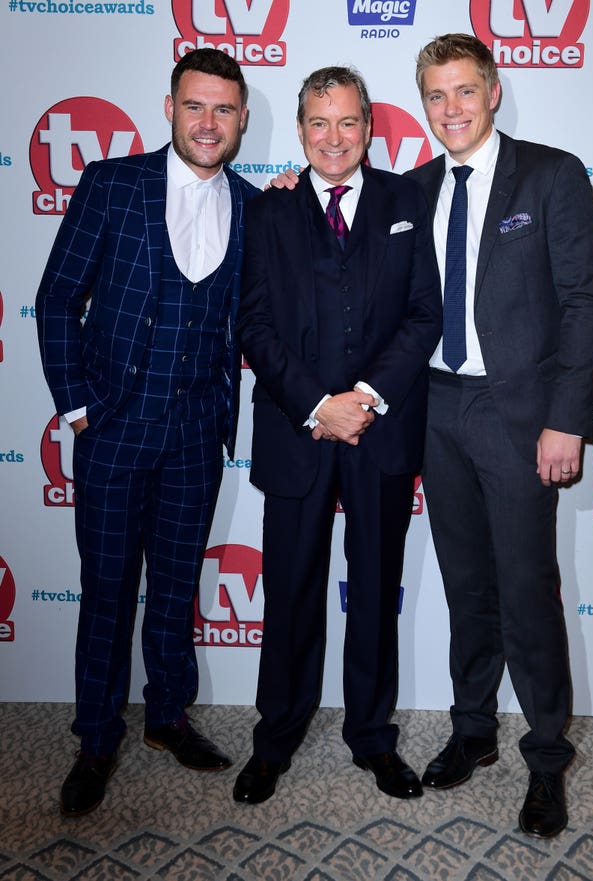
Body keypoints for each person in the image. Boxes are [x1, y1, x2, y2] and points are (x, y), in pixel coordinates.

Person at [35, 48, 259, 817]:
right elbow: (58, 297)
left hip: (198, 429)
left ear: (241, 120)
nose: (209, 122)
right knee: (106, 592)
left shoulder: (256, 203)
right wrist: (79, 406)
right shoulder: (110, 183)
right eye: (195, 106)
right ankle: (95, 737)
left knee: (173, 588)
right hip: (115, 427)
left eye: (224, 110)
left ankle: (167, 715)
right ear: (170, 108)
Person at [405, 34, 593, 837]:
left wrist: (568, 419)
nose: (450, 109)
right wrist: (286, 191)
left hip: (521, 416)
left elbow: (587, 304)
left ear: (493, 91)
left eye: (464, 91)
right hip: (436, 409)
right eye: (435, 95)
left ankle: (548, 757)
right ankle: (473, 730)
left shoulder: (552, 175)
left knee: (527, 589)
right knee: (467, 585)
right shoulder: (413, 189)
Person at [233, 66, 442, 804]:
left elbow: (424, 315)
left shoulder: (405, 199)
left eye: (348, 122)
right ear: (299, 129)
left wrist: (366, 397)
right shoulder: (268, 210)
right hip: (298, 429)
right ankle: (276, 736)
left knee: (377, 586)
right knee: (289, 586)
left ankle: (372, 737)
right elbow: (252, 322)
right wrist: (320, 403)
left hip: (380, 427)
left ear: (368, 129)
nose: (333, 137)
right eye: (318, 123)